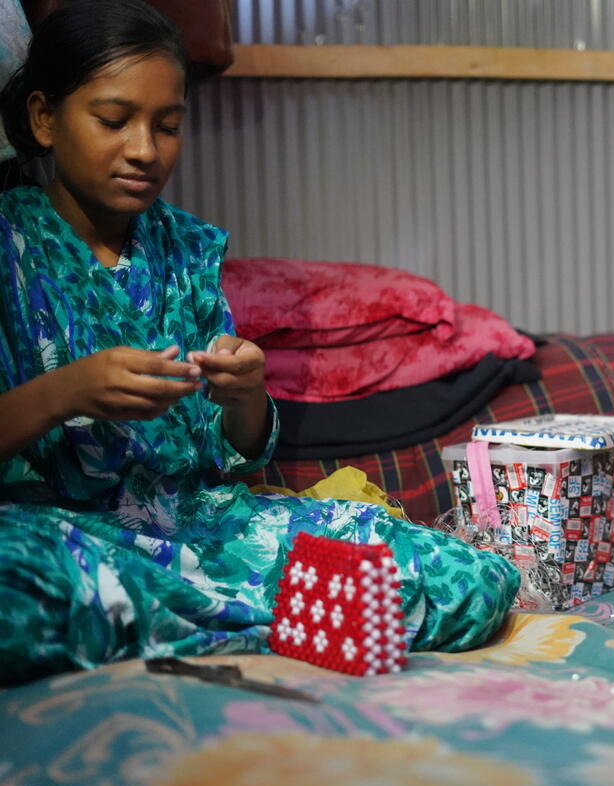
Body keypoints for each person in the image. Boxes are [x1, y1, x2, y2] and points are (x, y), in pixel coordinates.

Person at [0, 0, 519, 686]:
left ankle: (187, 616)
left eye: (169, 125)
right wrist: (63, 392)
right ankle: (267, 616)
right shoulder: (10, 247)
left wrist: (245, 394)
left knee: (474, 581)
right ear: (44, 118)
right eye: (113, 120)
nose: (145, 150)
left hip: (203, 530)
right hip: (65, 534)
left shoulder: (186, 249)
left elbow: (235, 449)